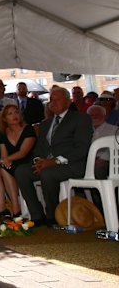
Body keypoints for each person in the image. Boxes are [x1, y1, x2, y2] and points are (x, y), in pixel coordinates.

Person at [15, 87, 93, 227]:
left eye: (58, 99)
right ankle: (37, 214)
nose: (53, 103)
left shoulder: (81, 119)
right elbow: (39, 149)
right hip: (47, 164)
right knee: (21, 172)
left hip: (72, 164)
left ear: (68, 102)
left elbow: (81, 148)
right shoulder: (46, 123)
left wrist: (54, 161)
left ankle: (53, 215)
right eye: (51, 100)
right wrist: (38, 161)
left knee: (47, 174)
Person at [0, 104, 36, 219]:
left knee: (4, 167)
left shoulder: (28, 129)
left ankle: (16, 208)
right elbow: (4, 155)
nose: (14, 116)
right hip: (11, 162)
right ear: (5, 119)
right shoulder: (3, 133)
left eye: (16, 112)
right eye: (10, 114)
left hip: (27, 162)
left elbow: (23, 153)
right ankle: (2, 209)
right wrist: (3, 161)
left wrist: (3, 160)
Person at [87, 104, 119, 179]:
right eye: (91, 115)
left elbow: (115, 147)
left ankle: (100, 190)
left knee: (97, 170)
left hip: (109, 160)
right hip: (88, 159)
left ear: (104, 116)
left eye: (97, 114)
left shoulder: (114, 129)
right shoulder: (84, 130)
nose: (94, 117)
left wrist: (103, 159)